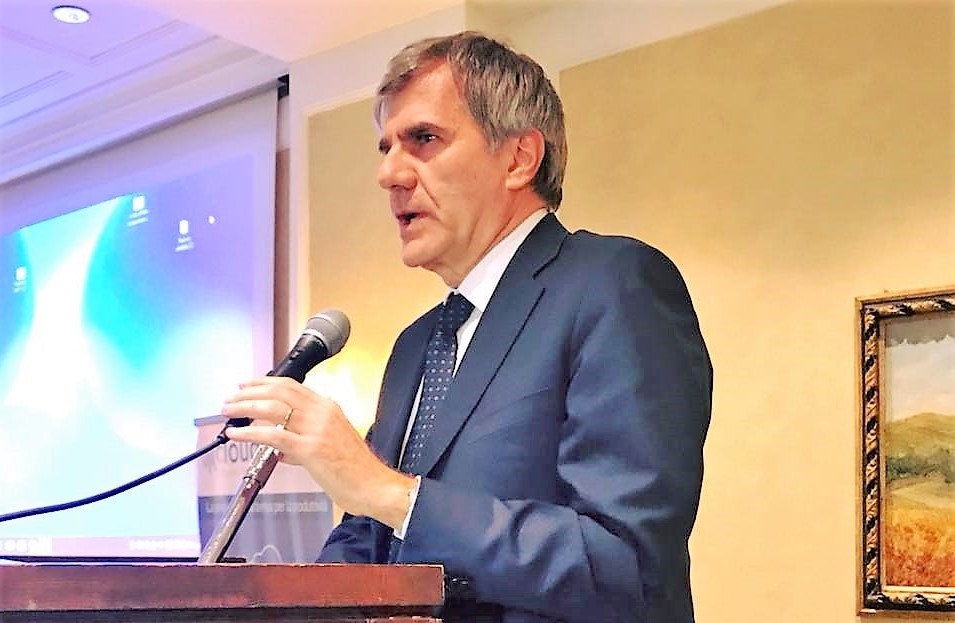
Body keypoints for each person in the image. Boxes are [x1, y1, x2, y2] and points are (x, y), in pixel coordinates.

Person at [223, 31, 712, 623]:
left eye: (424, 139)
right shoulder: (415, 345)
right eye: (386, 147)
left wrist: (389, 491)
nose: (389, 174)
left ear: (519, 159)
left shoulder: (614, 283)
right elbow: (368, 536)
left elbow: (625, 565)